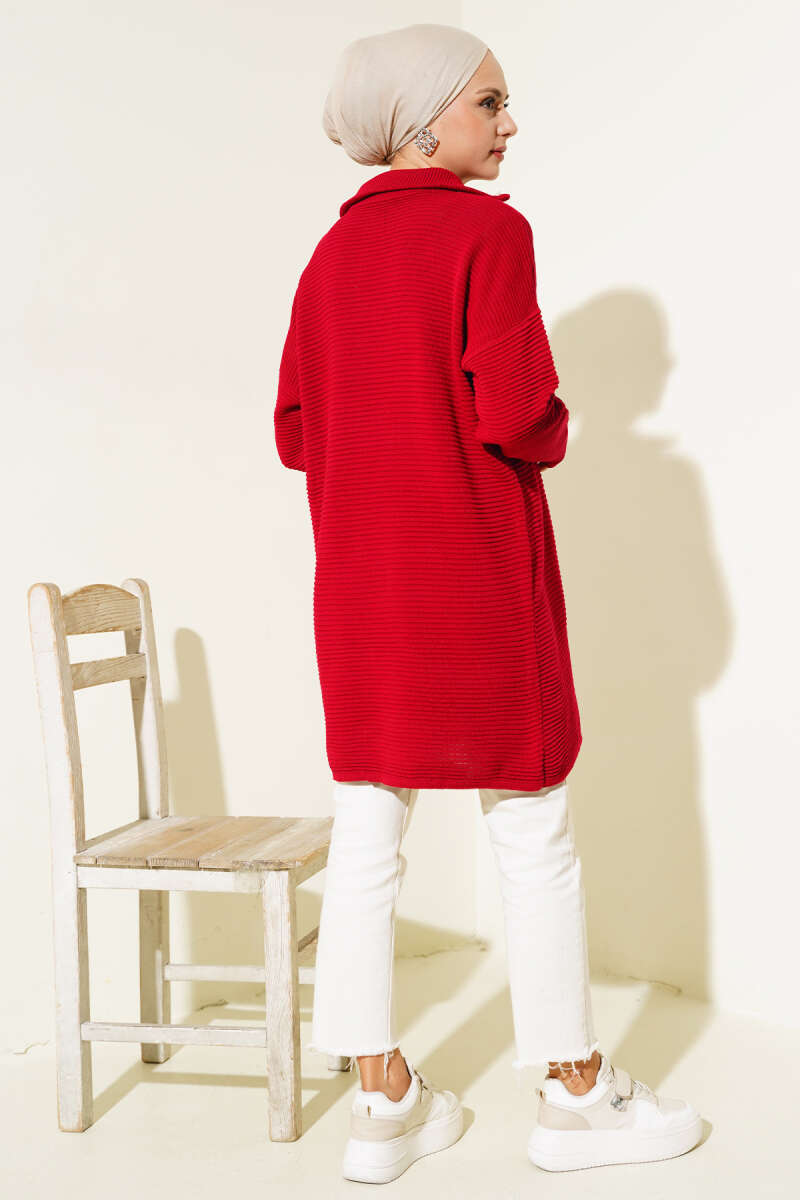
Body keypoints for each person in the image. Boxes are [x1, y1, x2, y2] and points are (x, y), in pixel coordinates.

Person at [274, 22, 703, 1184]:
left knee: (366, 839)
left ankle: (381, 1105)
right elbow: (514, 412)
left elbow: (296, 430)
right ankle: (574, 1095)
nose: (508, 123)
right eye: (488, 103)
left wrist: (380, 450)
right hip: (471, 580)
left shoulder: (328, 258)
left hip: (360, 591)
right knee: (530, 832)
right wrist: (552, 426)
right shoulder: (486, 232)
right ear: (422, 123)